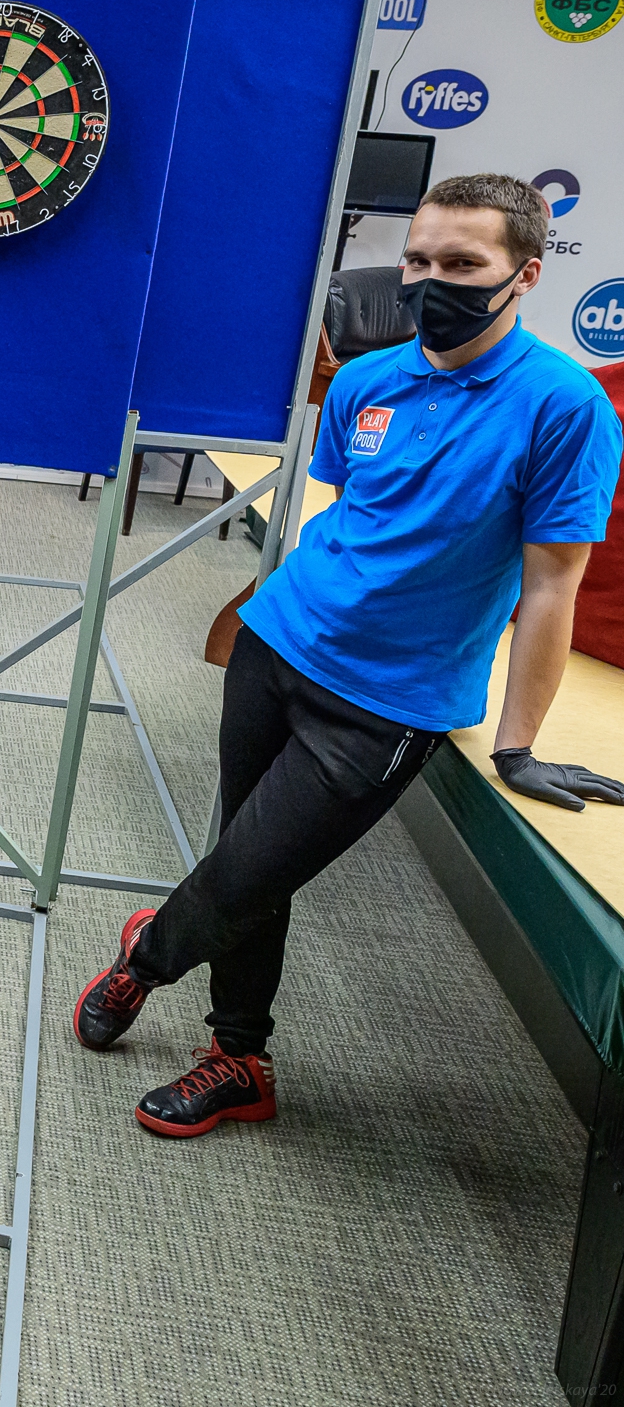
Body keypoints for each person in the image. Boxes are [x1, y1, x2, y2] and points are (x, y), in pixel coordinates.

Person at [74, 173, 624, 1138]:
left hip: (390, 698)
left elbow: (551, 587)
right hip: (277, 646)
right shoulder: (367, 382)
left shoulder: (565, 406)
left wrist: (517, 743)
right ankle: (240, 1059)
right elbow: (347, 519)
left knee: (249, 867)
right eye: (417, 260)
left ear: (527, 274)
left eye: (463, 263)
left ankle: (147, 956)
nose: (431, 281)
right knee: (250, 864)